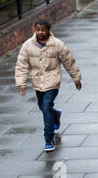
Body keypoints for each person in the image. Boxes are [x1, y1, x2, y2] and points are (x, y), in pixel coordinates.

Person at [15, 19, 81, 153]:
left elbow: (69, 61)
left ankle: (49, 140)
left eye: (43, 30)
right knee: (43, 106)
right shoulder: (28, 45)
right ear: (34, 30)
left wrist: (76, 78)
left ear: (48, 30)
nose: (40, 32)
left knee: (46, 107)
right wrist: (21, 84)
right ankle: (55, 115)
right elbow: (22, 65)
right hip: (37, 82)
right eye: (38, 30)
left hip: (52, 81)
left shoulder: (57, 44)